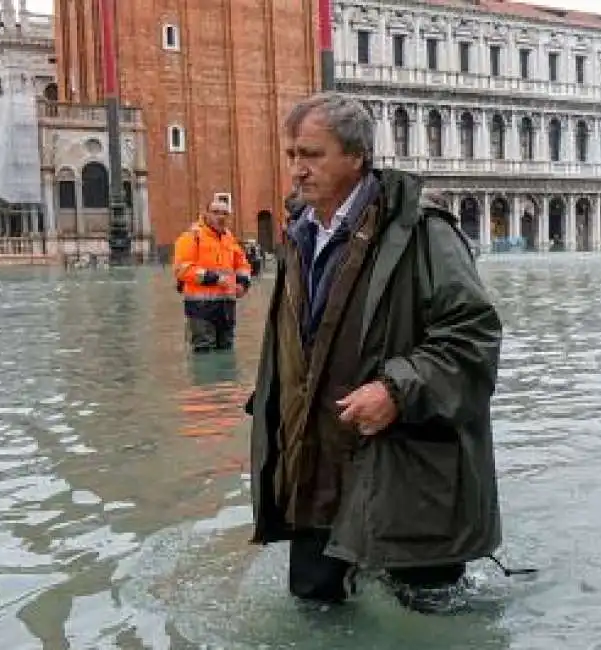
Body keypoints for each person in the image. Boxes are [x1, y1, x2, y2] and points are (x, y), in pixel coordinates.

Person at [245, 92, 504, 613]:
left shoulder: (424, 232)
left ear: (357, 156)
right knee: (315, 611)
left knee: (428, 620)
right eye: (291, 154)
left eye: (312, 155)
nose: (296, 169)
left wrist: (396, 390)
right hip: (313, 467)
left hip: (406, 475)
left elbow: (473, 337)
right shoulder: (299, 235)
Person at [172, 198, 252, 352]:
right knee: (204, 350)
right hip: (200, 308)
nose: (221, 217)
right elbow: (182, 269)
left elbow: (243, 265)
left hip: (226, 307)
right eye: (215, 213)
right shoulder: (191, 237)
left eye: (225, 214)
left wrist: (243, 284)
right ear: (205, 214)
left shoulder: (229, 239)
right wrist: (214, 278)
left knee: (226, 349)